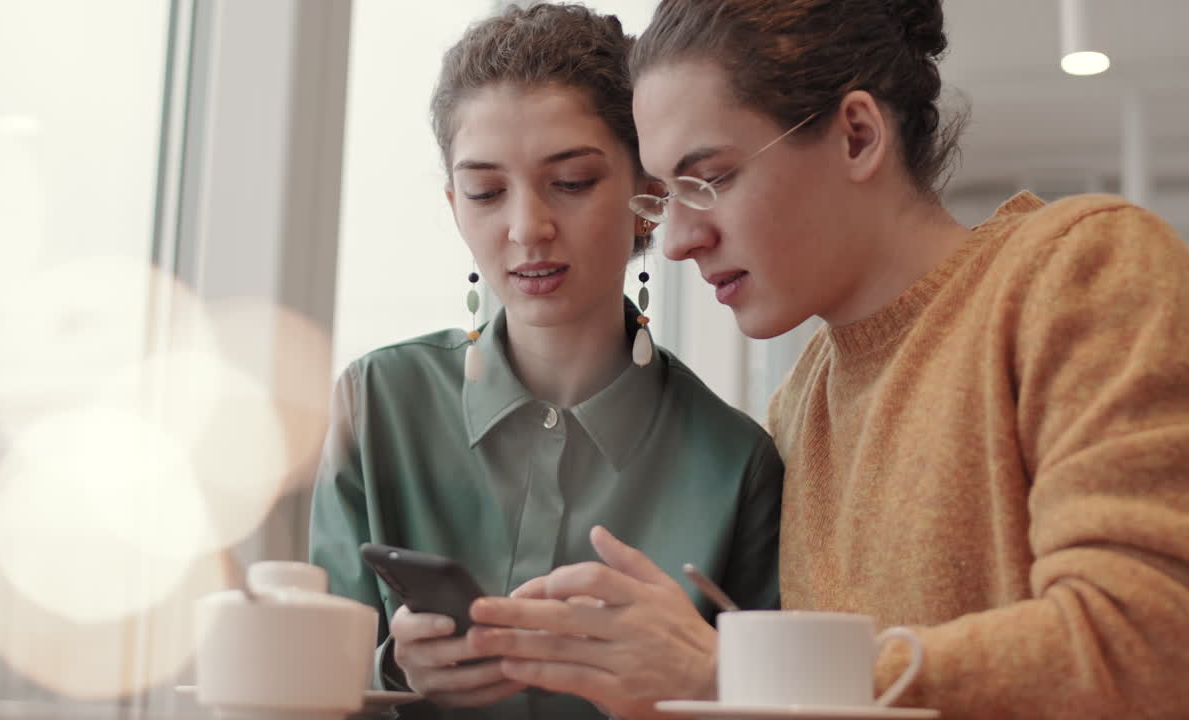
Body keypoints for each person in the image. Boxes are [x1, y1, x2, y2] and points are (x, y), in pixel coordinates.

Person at [466, 1, 1189, 718]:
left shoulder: (1082, 271)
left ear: (856, 136)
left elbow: (1147, 646)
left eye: (709, 179)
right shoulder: (799, 403)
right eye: (665, 198)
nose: (678, 241)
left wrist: (732, 675)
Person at [307, 4, 783, 719]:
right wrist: (395, 670)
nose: (528, 227)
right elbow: (306, 686)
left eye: (572, 181)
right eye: (486, 192)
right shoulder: (376, 403)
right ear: (455, 205)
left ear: (649, 196)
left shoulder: (736, 465)